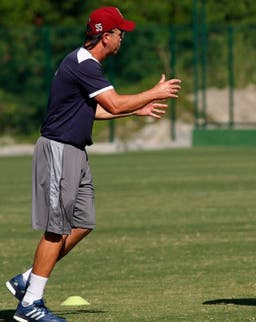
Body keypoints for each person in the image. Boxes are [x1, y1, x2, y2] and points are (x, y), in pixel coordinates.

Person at [5, 7, 182, 322]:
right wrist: (152, 92)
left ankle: (27, 279)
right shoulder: (84, 65)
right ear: (105, 35)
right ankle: (29, 306)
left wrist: (136, 110)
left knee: (83, 223)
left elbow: (95, 111)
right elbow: (112, 102)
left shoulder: (85, 64)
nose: (122, 38)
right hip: (59, 150)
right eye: (119, 32)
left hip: (75, 152)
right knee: (55, 229)